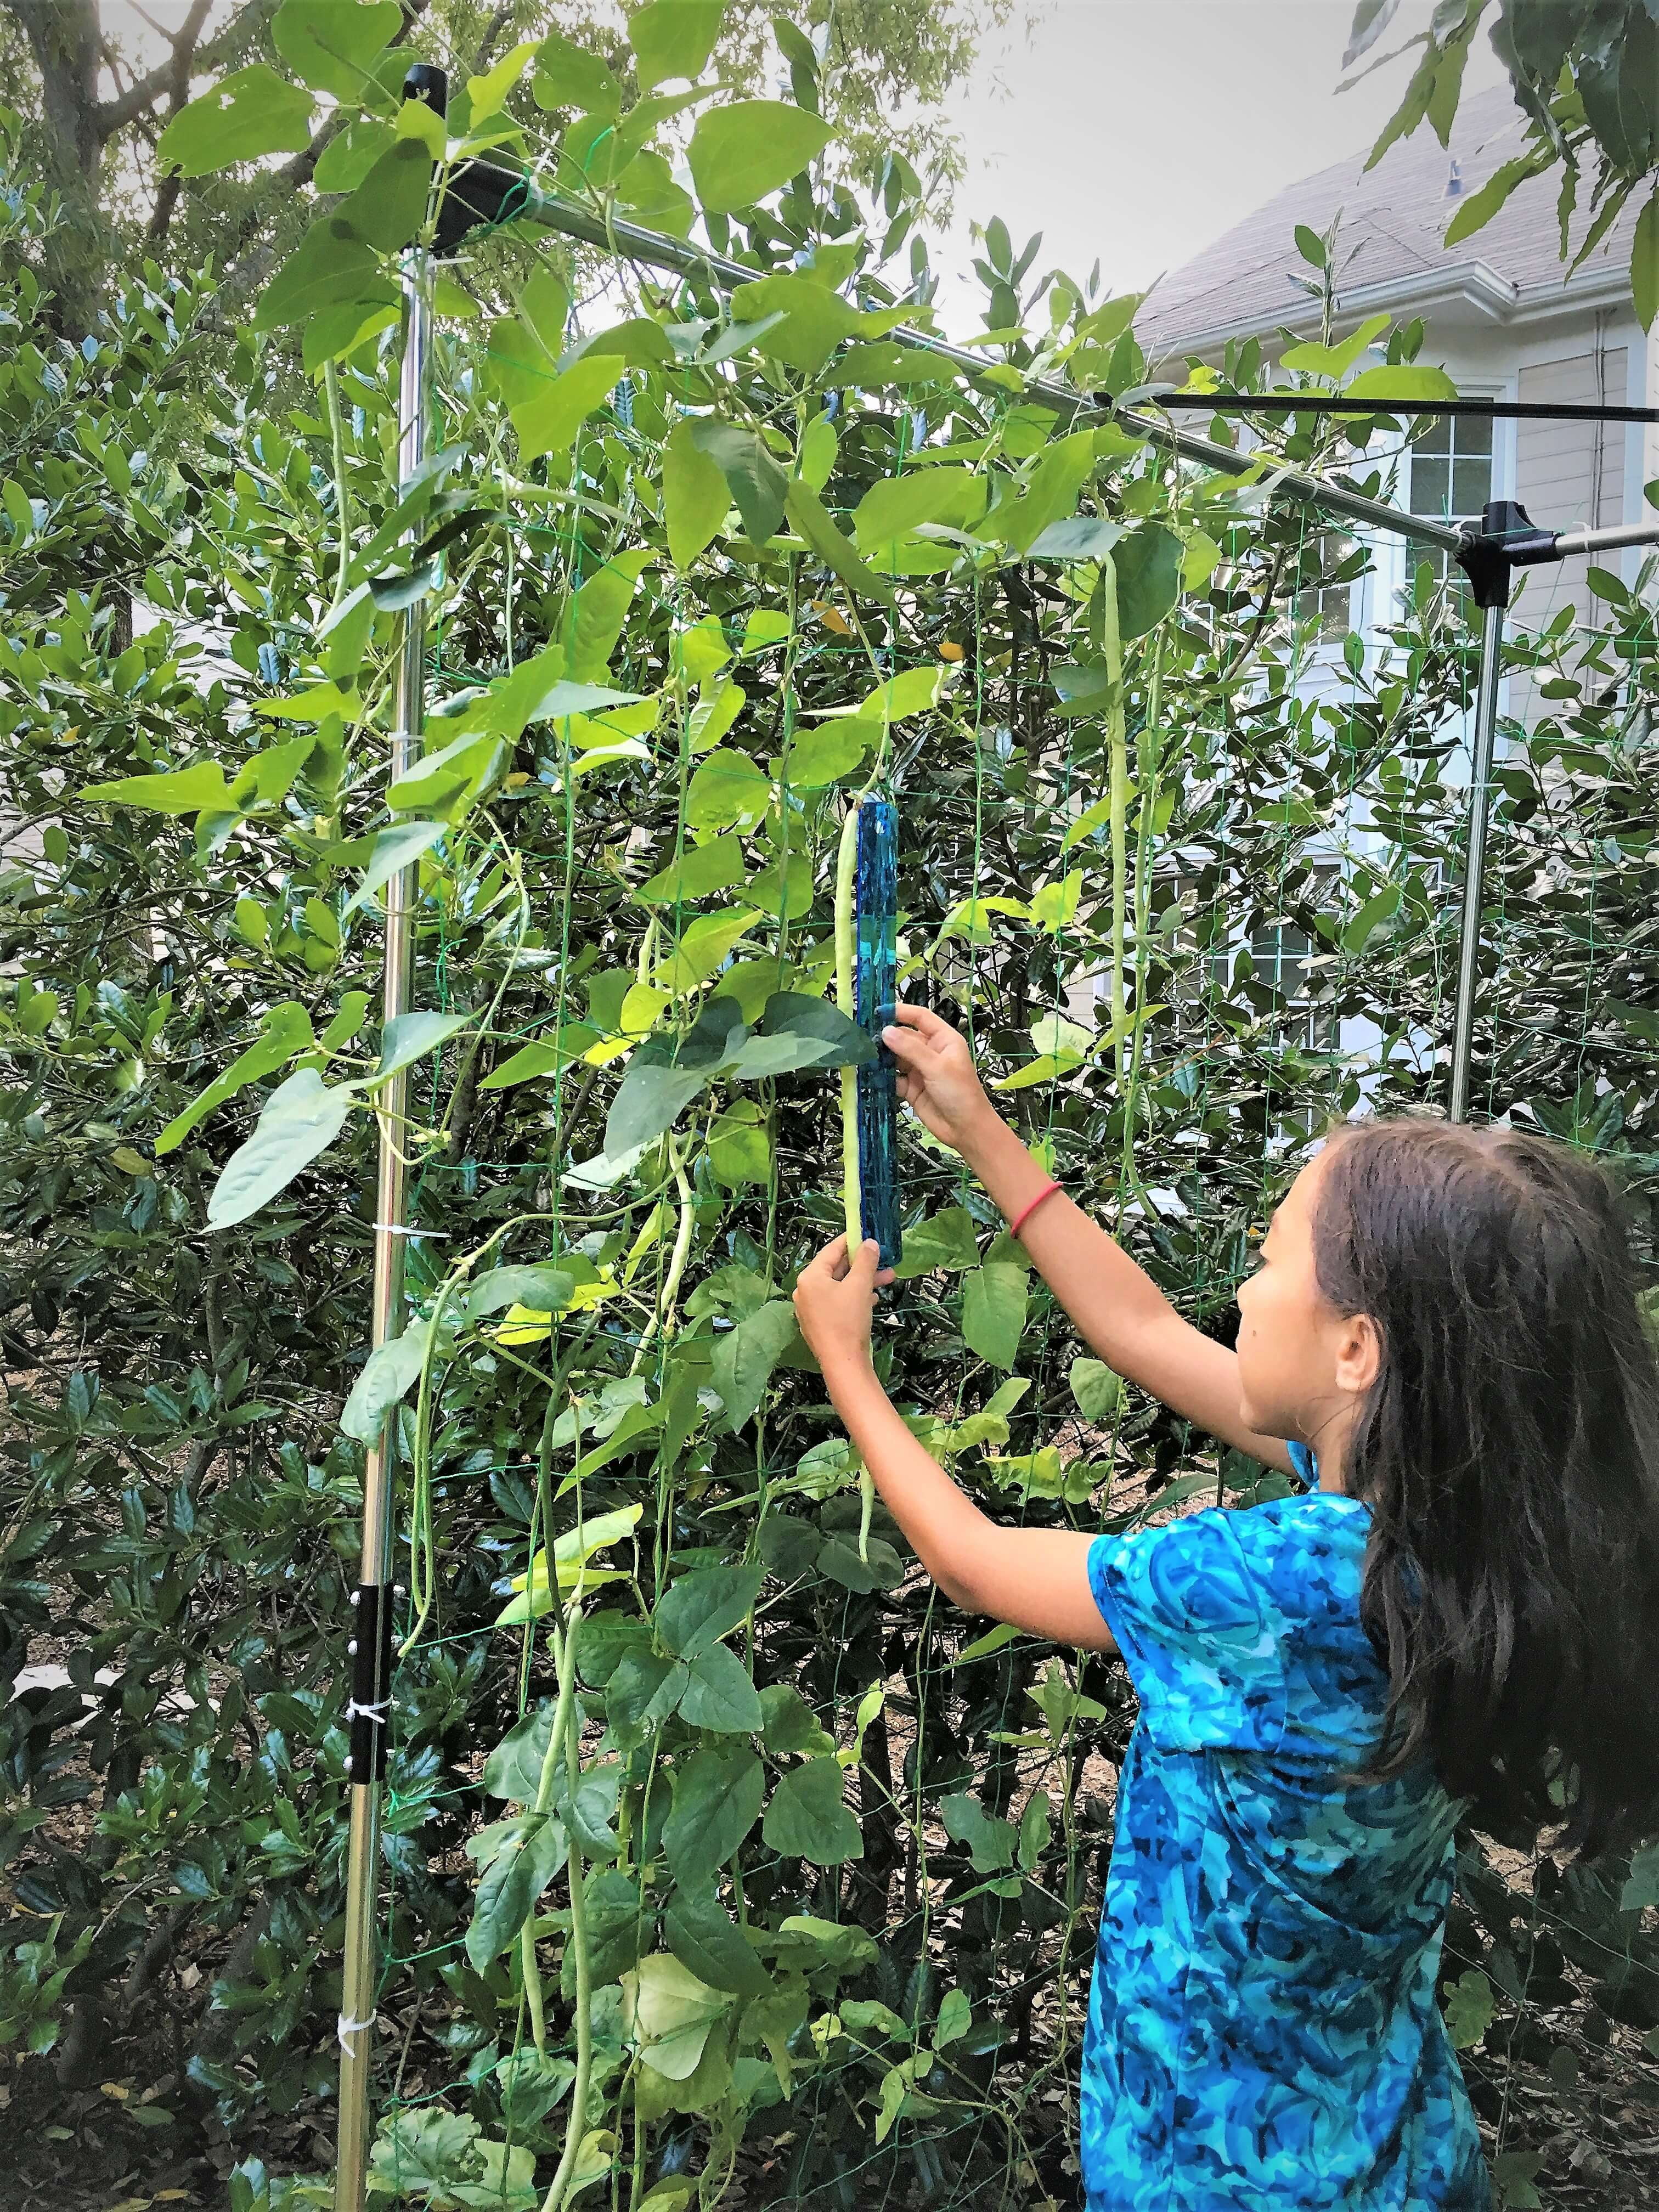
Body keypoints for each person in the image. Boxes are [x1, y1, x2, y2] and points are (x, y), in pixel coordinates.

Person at [791, 1002, 1659, 2212]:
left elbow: (976, 1563)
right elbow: (1144, 1333)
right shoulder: (1448, 1529)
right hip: (1395, 2153)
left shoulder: (1277, 1589)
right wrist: (985, 1136)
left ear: (1356, 1350)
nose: (1243, 1293)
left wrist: (846, 1363)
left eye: (1267, 1262)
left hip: (1210, 2173)